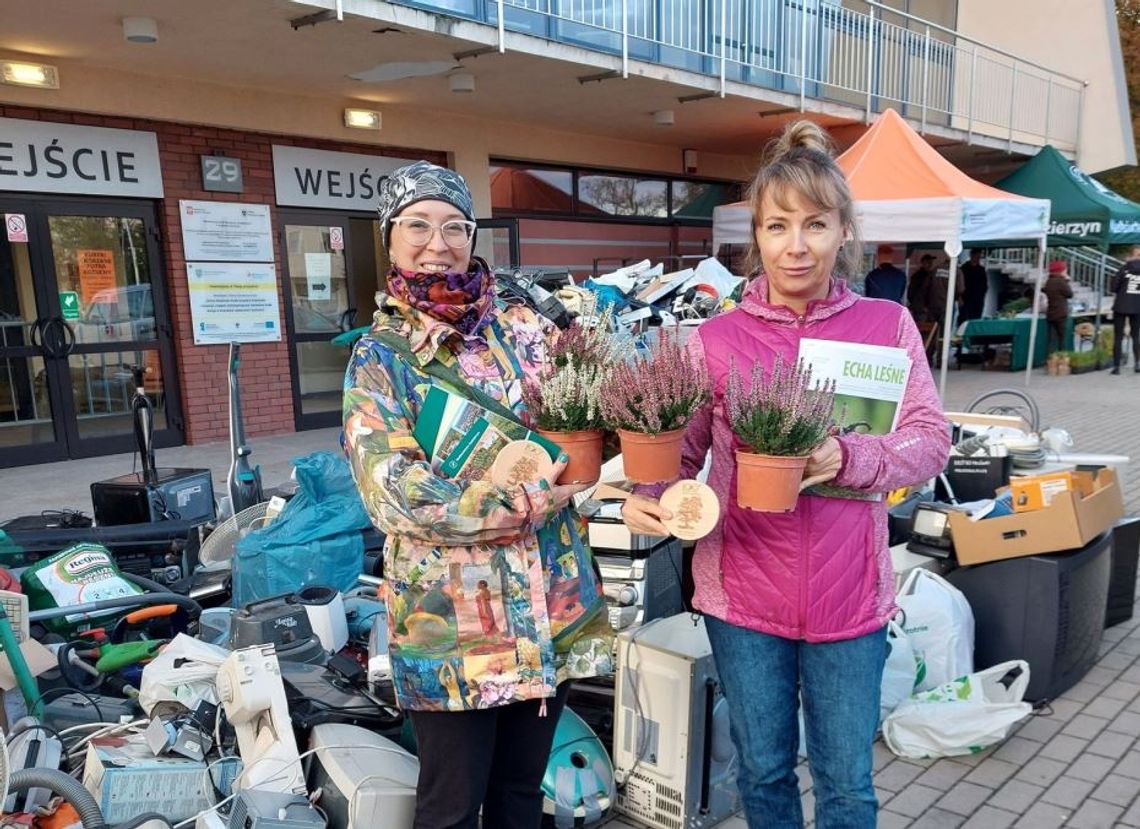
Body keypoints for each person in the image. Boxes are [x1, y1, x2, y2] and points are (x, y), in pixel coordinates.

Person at [621, 121, 950, 829]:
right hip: (742, 596)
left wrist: (850, 457)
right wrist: (646, 496)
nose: (795, 245)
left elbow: (930, 441)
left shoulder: (885, 326)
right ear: (757, 236)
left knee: (845, 784)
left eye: (815, 224)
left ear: (842, 231)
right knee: (763, 771)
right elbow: (678, 450)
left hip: (849, 601)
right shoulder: (716, 339)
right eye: (777, 226)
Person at [342, 161, 612, 829]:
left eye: (455, 225)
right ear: (389, 236)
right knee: (451, 809)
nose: (439, 241)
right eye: (418, 224)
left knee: (522, 795)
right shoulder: (380, 359)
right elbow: (392, 492)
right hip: (454, 627)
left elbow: (584, 427)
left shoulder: (526, 328)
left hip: (547, 605)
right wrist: (514, 504)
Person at [1110, 245, 1140, 374]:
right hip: (1137, 306)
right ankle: (1137, 364)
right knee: (1136, 336)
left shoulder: (1123, 269)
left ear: (1130, 255)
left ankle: (1117, 367)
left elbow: (1113, 287)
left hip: (1121, 306)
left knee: (1118, 337)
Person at [1042, 260, 1073, 356]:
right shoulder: (1061, 282)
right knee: (1062, 339)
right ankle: (1061, 359)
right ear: (1061, 270)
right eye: (1064, 269)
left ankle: (1050, 359)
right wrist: (1067, 280)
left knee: (1051, 339)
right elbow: (1069, 294)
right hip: (1061, 313)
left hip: (1051, 313)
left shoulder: (1049, 281)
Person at [907, 253, 938, 322]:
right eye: (928, 262)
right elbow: (912, 293)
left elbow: (910, 294)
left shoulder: (927, 275)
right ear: (923, 263)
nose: (930, 264)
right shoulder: (921, 276)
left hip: (922, 308)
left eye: (931, 262)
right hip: (922, 308)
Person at [959, 249, 988, 320]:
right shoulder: (964, 268)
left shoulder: (981, 269)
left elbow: (984, 285)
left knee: (976, 319)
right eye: (976, 256)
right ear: (972, 256)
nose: (978, 258)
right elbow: (959, 284)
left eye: (979, 257)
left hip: (978, 301)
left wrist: (982, 296)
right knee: (964, 320)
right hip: (966, 300)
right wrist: (960, 298)